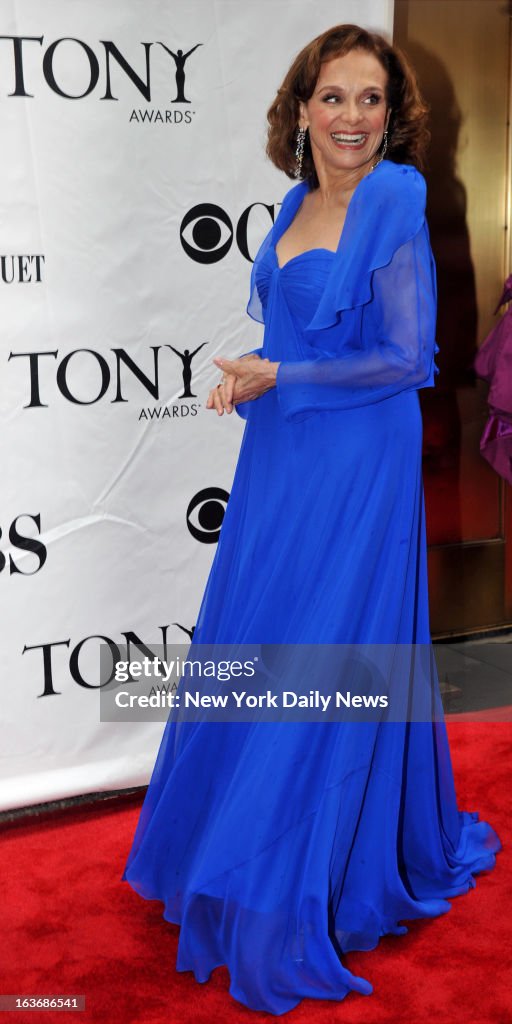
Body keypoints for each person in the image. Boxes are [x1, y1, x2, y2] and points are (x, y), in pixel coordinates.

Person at [122, 24, 501, 1016]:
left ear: (392, 116)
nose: (348, 117)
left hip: (357, 464)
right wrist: (259, 379)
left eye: (368, 99)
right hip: (282, 454)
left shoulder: (392, 201)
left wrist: (281, 372)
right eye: (330, 98)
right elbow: (296, 336)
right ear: (298, 109)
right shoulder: (295, 201)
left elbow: (402, 359)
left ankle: (299, 884)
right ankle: (242, 848)